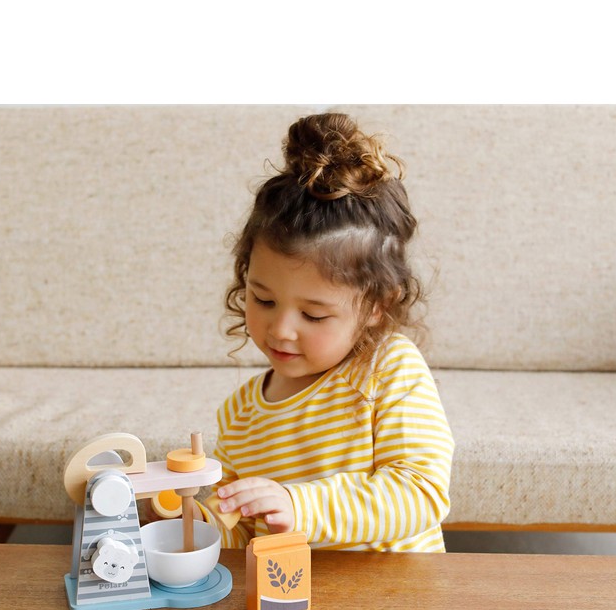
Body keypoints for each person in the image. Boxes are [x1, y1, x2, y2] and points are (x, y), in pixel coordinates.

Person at [195, 111, 454, 551]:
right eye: (263, 300)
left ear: (377, 305)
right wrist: (188, 523)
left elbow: (420, 491)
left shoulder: (386, 370)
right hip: (291, 591)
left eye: (314, 316)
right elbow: (240, 531)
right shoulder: (239, 415)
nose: (281, 330)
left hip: (395, 590)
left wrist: (301, 506)